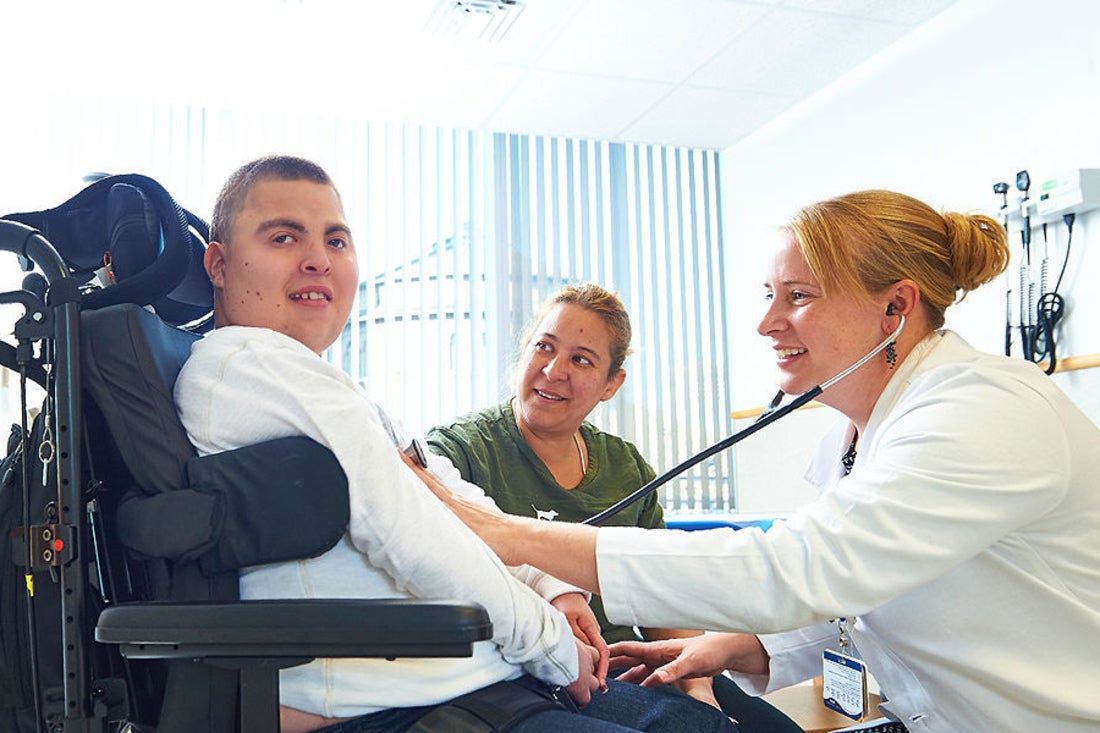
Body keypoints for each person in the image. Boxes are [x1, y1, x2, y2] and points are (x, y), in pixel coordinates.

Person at [413, 189, 1100, 732]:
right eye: (768, 295)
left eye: (797, 295)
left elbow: (800, 569)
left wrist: (500, 532)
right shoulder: (856, 439)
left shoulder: (982, 413)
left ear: (895, 307)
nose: (768, 323)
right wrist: (739, 647)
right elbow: (860, 603)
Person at [173, 155, 738, 733]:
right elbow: (412, 532)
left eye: (336, 240)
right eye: (284, 236)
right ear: (218, 264)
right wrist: (552, 642)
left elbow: (449, 497)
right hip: (413, 704)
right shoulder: (251, 367)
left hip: (485, 683)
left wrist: (552, 590)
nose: (318, 258)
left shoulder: (326, 385)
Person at [425, 284, 800, 730]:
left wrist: (696, 683)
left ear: (611, 383)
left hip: (631, 662)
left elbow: (664, 600)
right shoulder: (459, 451)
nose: (553, 370)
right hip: (532, 672)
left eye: (581, 359)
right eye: (544, 347)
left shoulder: (625, 467)